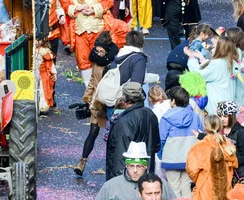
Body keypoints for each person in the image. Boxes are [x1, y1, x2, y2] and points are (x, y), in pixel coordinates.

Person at [61, 0, 113, 85]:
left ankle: (101, 89)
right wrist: (77, 7)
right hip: (80, 31)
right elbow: (64, 4)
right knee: (83, 61)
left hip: (98, 29)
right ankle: (89, 93)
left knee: (101, 58)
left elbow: (108, 1)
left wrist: (94, 9)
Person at [75, 31, 118, 176]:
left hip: (109, 103)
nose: (98, 54)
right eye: (97, 50)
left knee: (111, 136)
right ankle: (82, 161)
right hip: (96, 103)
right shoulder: (96, 62)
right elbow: (93, 81)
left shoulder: (113, 65)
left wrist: (95, 103)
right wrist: (87, 98)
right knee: (93, 132)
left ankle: (112, 166)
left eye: (101, 51)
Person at [106, 83, 160, 179]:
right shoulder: (150, 114)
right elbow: (157, 146)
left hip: (130, 175)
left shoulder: (125, 120)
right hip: (146, 170)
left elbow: (120, 153)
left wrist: (120, 179)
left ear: (124, 98)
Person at [158, 86, 203, 197]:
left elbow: (161, 139)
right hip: (189, 158)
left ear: (173, 100)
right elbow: (201, 135)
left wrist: (161, 155)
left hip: (171, 158)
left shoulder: (166, 117)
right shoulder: (194, 116)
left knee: (174, 188)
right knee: (187, 187)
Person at [97, 142, 176, 200]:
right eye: (131, 166)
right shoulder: (110, 186)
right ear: (126, 166)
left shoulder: (160, 184)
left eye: (139, 166)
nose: (135, 170)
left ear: (145, 166)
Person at [186, 115, 238, 200]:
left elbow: (191, 170)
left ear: (205, 127)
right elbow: (234, 164)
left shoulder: (199, 146)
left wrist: (201, 179)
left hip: (206, 189)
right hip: (225, 188)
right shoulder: (228, 144)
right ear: (220, 126)